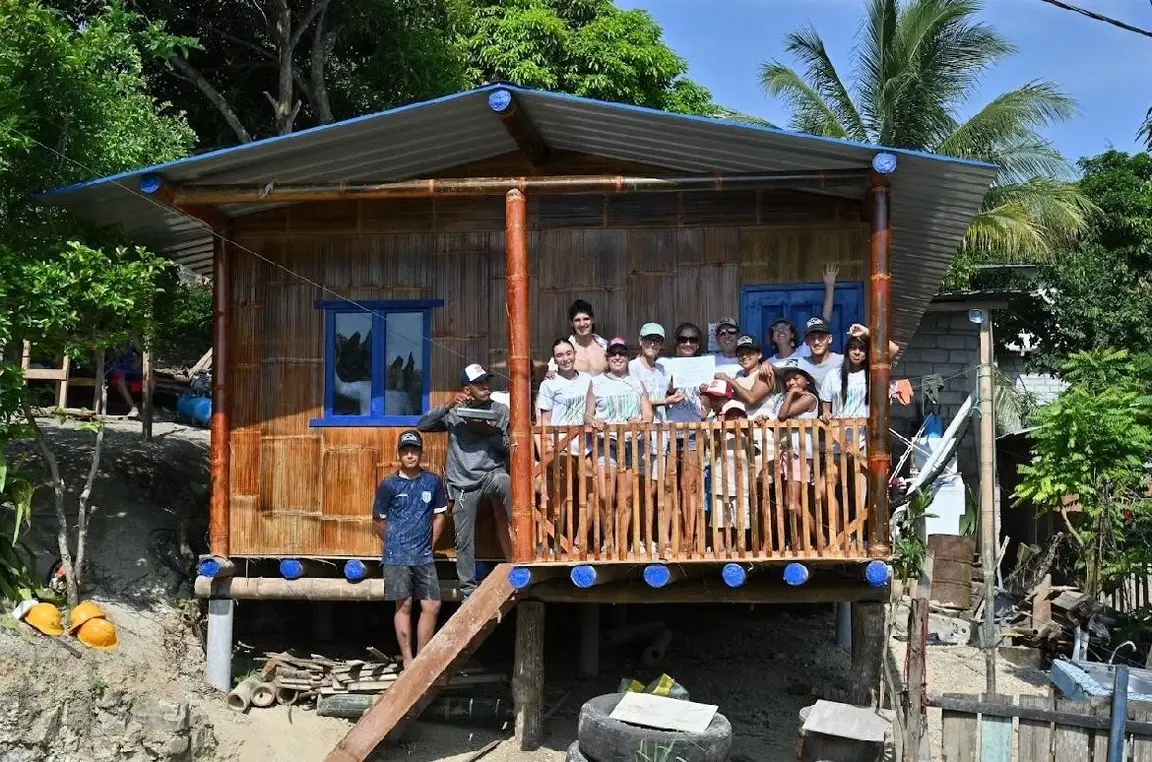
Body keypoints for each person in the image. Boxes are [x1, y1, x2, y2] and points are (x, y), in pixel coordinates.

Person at [417, 363, 511, 600]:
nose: (486, 387)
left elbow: (508, 447)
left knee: (506, 482)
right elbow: (423, 425)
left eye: (486, 382)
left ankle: (522, 554)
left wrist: (487, 432)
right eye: (479, 384)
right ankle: (468, 591)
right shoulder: (454, 411)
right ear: (467, 389)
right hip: (461, 483)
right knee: (463, 539)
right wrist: (449, 404)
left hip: (491, 474)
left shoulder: (500, 410)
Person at [372, 430, 448, 668]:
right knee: (403, 605)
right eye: (405, 451)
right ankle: (407, 659)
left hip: (424, 555)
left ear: (420, 453)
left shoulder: (433, 481)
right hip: (396, 556)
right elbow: (377, 520)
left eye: (414, 450)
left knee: (432, 605)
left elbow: (440, 516)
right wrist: (394, 542)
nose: (410, 455)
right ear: (399, 454)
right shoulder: (389, 484)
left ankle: (422, 659)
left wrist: (430, 543)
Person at [585, 337, 652, 553]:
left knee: (629, 496)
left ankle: (625, 539)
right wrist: (594, 421)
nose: (617, 357)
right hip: (607, 442)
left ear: (627, 357)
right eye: (613, 354)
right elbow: (587, 414)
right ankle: (608, 540)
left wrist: (640, 421)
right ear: (607, 358)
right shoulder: (596, 382)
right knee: (606, 495)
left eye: (621, 354)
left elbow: (648, 415)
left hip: (632, 443)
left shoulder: (636, 383)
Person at [628, 323, 683, 554]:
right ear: (640, 340)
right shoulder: (631, 367)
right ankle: (637, 537)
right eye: (649, 339)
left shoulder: (662, 369)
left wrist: (673, 395)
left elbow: (666, 393)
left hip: (661, 435)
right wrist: (665, 401)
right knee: (640, 488)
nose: (653, 344)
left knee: (660, 487)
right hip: (639, 436)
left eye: (657, 340)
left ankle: (656, 537)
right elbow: (635, 399)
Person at [536, 338, 594, 546]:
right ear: (555, 359)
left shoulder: (588, 379)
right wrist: (547, 447)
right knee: (559, 498)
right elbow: (544, 420)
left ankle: (578, 542)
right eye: (560, 355)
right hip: (561, 447)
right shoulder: (549, 384)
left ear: (574, 354)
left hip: (586, 447)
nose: (565, 358)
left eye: (568, 353)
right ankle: (555, 543)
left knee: (591, 495)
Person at [659, 322, 709, 550]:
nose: (688, 344)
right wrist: (669, 389)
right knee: (668, 486)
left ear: (698, 344)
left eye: (692, 340)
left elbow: (706, 407)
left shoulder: (705, 366)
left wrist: (706, 393)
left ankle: (691, 538)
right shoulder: (664, 365)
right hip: (668, 432)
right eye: (683, 339)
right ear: (676, 342)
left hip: (693, 431)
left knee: (690, 486)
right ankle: (667, 539)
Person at [777, 366, 820, 550]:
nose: (792, 382)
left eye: (796, 378)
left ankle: (820, 538)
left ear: (807, 380)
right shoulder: (790, 399)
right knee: (793, 502)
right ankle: (801, 542)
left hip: (801, 454)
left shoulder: (809, 398)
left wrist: (790, 394)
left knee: (793, 503)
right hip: (789, 453)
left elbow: (781, 415)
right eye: (788, 380)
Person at [766, 264, 840, 367]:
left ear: (792, 335)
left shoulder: (803, 351)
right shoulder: (769, 363)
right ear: (772, 338)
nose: (781, 330)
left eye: (785, 327)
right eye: (776, 328)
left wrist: (830, 286)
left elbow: (824, 321)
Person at [548, 299, 609, 376]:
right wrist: (550, 373)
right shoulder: (565, 350)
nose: (582, 324)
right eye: (577, 320)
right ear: (571, 323)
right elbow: (551, 373)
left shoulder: (606, 347)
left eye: (586, 319)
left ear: (592, 320)